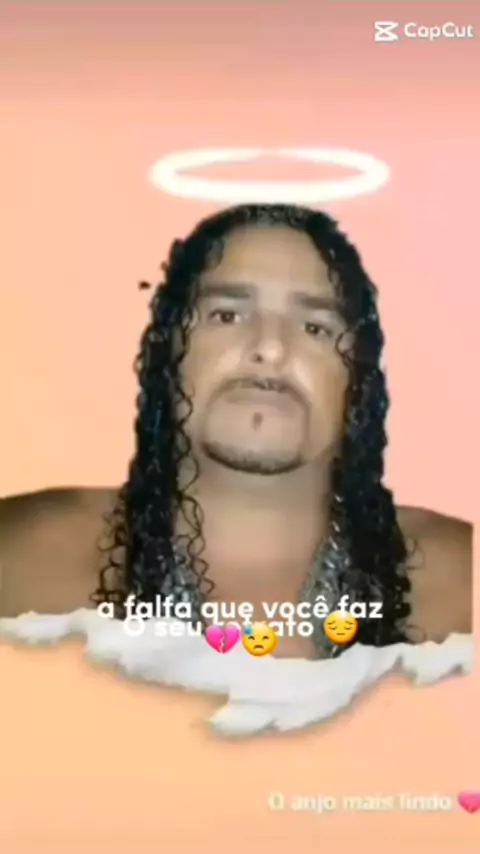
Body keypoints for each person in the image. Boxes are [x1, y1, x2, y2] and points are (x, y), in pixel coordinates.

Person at [0, 204, 472, 658]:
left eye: (315, 327)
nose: (270, 348)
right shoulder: (19, 558)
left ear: (359, 380)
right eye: (227, 316)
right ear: (168, 352)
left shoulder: (461, 583)